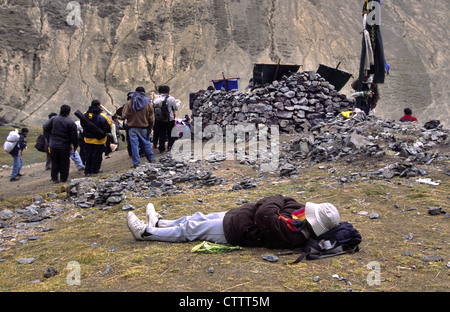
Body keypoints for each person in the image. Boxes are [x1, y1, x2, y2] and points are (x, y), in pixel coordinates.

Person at [126, 194, 341, 249]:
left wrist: (267, 205)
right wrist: (270, 206)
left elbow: (265, 213)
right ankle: (159, 223)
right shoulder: (298, 214)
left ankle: (146, 233)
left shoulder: (294, 235)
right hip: (238, 218)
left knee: (192, 229)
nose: (305, 210)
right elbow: (281, 199)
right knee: (198, 217)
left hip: (234, 230)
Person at [43, 105, 79, 183]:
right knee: (65, 162)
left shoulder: (53, 119)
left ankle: (54, 178)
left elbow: (45, 127)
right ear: (69, 112)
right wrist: (75, 145)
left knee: (55, 162)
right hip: (65, 146)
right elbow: (74, 136)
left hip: (54, 145)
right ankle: (63, 178)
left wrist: (51, 134)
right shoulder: (71, 122)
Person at [122, 87, 155, 168]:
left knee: (134, 146)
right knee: (146, 143)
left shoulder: (129, 102)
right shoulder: (148, 103)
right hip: (144, 127)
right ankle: (151, 160)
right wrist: (150, 127)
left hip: (132, 127)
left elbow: (124, 115)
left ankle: (136, 163)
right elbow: (152, 118)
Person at [82, 100, 112, 176]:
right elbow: (109, 127)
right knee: (97, 155)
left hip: (88, 139)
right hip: (99, 140)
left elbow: (82, 125)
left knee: (88, 155)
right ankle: (95, 170)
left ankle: (87, 170)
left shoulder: (84, 115)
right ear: (99, 106)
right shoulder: (102, 116)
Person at [152, 85, 180, 153]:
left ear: (159, 92)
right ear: (168, 91)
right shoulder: (171, 98)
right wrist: (178, 103)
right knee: (171, 133)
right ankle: (170, 146)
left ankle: (161, 148)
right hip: (169, 119)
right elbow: (175, 108)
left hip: (159, 120)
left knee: (162, 134)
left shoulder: (156, 100)